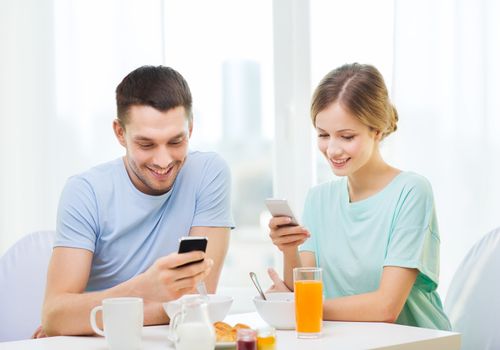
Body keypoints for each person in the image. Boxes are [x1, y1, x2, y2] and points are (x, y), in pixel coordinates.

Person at [40, 66, 234, 336]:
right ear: (120, 133)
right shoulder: (84, 191)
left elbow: (198, 301)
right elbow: (55, 316)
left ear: (190, 128)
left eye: (176, 141)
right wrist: (144, 288)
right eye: (146, 144)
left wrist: (88, 316)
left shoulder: (209, 173)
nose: (163, 161)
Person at [267, 63, 451, 330]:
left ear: (376, 130)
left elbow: (386, 307)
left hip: (417, 343)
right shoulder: (318, 199)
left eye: (346, 136)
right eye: (323, 135)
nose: (332, 149)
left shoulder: (411, 191)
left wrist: (298, 307)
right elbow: (304, 290)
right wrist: (288, 249)